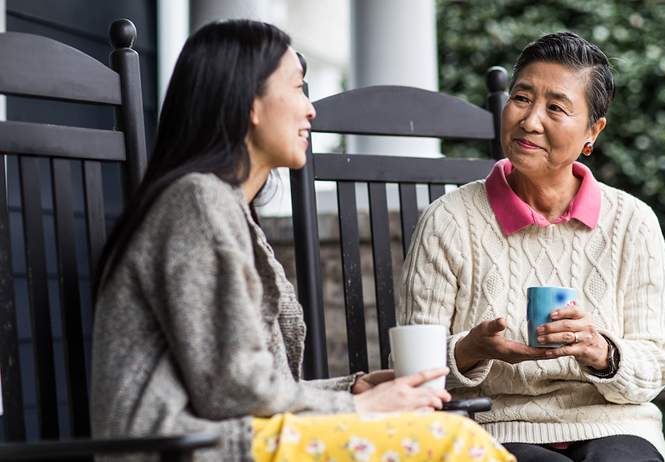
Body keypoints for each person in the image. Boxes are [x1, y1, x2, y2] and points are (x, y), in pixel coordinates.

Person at [91, 19, 514, 462]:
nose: (310, 109)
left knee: (446, 434)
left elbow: (246, 388)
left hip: (231, 441)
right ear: (248, 103)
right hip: (186, 450)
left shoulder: (223, 207)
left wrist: (351, 388)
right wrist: (356, 407)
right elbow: (232, 391)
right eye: (296, 88)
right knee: (453, 443)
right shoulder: (197, 202)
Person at [398, 31, 665, 462]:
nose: (530, 121)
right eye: (522, 98)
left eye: (556, 108)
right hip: (492, 426)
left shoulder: (632, 222)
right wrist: (473, 348)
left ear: (592, 131)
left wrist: (601, 352)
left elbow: (655, 362)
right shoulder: (449, 220)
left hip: (615, 424)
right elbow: (415, 369)